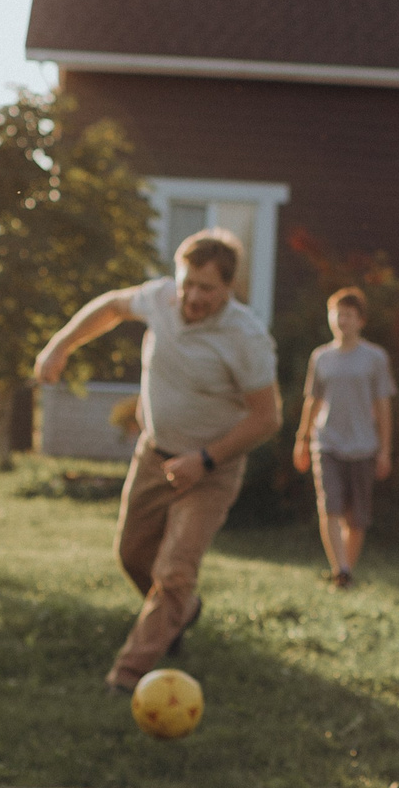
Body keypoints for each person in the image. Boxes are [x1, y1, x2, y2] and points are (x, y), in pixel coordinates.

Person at [32, 230, 280, 692]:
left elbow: (267, 418)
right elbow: (110, 307)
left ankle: (127, 676)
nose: (192, 296)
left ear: (229, 288)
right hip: (154, 454)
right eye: (187, 282)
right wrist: (61, 345)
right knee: (131, 554)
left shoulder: (246, 338)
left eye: (207, 288)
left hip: (211, 470)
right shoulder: (161, 298)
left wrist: (204, 460)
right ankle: (180, 612)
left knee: (174, 572)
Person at [291, 286, 394, 589]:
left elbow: (384, 406)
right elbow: (312, 401)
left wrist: (386, 450)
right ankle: (340, 569)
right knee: (330, 506)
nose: (341, 320)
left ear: (361, 320)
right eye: (337, 314)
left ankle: (346, 569)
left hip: (363, 445)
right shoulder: (321, 357)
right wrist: (302, 438)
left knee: (357, 517)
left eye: (348, 315)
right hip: (327, 442)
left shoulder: (375, 358)